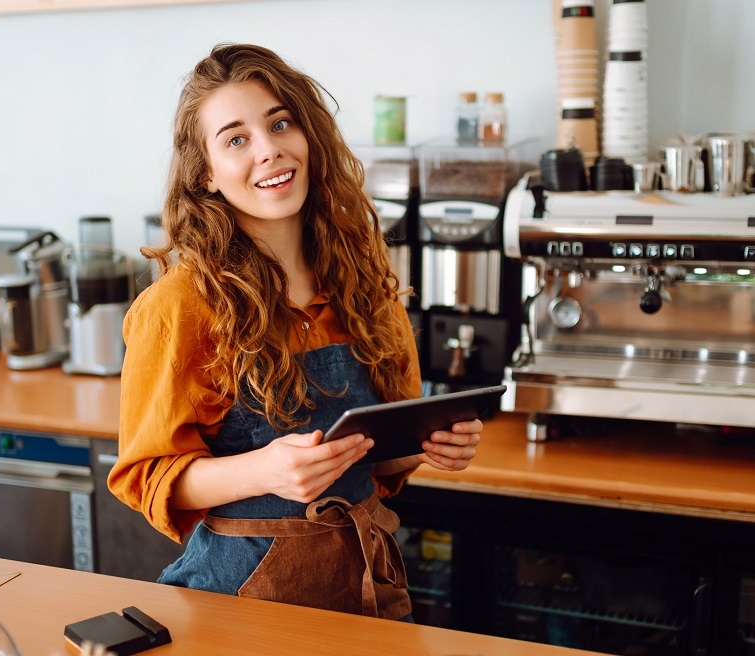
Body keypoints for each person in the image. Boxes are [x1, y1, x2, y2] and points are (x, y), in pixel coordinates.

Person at [108, 43, 484, 621]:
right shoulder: (180, 307)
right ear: (206, 174)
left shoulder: (367, 287)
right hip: (236, 606)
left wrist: (424, 448)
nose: (269, 149)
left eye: (280, 122)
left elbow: (376, 465)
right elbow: (147, 477)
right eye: (236, 139)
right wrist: (264, 470)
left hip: (367, 592)